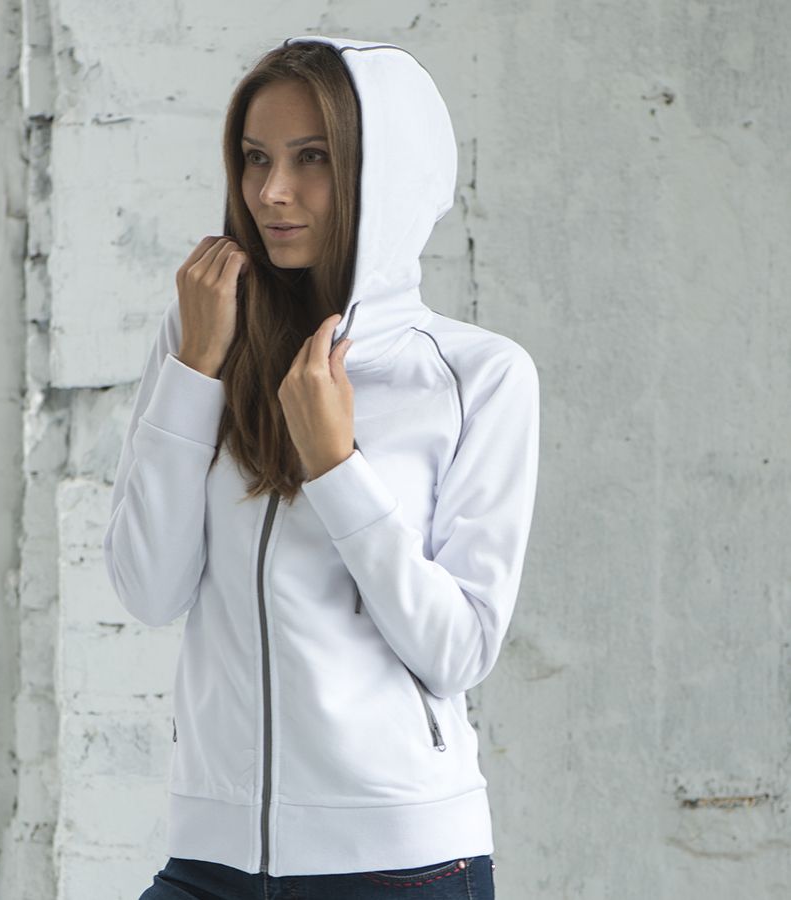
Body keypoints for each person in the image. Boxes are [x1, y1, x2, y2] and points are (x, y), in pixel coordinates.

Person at [104, 33, 540, 900]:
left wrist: (336, 465)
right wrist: (195, 371)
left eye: (313, 159)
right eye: (256, 158)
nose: (273, 191)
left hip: (399, 863)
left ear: (386, 173)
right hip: (212, 855)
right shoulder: (203, 336)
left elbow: (457, 650)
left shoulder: (477, 376)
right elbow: (149, 590)